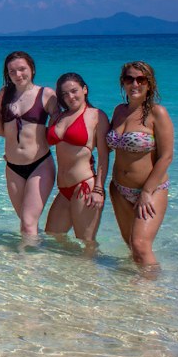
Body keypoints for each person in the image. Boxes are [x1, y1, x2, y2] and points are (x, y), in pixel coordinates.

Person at [107, 61, 173, 272]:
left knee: (141, 247)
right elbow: (106, 146)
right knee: (131, 246)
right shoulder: (119, 111)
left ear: (149, 84)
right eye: (129, 79)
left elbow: (166, 157)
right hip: (118, 188)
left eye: (140, 79)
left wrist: (146, 192)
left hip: (150, 191)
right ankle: (132, 295)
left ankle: (152, 297)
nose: (134, 83)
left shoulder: (157, 113)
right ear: (123, 83)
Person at [0, 52, 58, 237]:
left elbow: (61, 126)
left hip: (40, 165)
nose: (18, 74)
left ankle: (27, 262)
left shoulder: (46, 94)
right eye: (12, 71)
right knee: (26, 222)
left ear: (32, 69)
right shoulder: (4, 94)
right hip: (13, 167)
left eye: (22, 69)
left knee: (28, 224)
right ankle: (36, 257)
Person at [43, 73, 110, 243]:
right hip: (63, 189)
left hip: (84, 186)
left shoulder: (96, 116)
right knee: (52, 235)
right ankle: (68, 269)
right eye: (65, 94)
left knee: (86, 241)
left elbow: (103, 156)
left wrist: (99, 190)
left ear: (85, 89)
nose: (70, 97)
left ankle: (90, 270)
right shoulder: (60, 117)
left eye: (74, 91)